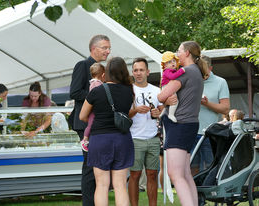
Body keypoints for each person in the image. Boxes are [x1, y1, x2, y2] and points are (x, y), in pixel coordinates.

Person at [158, 41, 208, 206]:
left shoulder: (185, 71)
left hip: (179, 125)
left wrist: (165, 97)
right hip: (190, 125)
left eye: (179, 50)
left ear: (186, 53)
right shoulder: (196, 72)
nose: (176, 54)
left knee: (175, 174)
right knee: (185, 173)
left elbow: (161, 95)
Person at [79, 57, 134, 206]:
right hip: (122, 139)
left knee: (102, 185)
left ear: (106, 72)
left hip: (100, 139)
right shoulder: (128, 92)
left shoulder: (96, 91)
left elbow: (82, 116)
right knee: (120, 185)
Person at [69, 34, 111, 206]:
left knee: (98, 167)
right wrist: (97, 96)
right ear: (94, 48)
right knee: (89, 167)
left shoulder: (104, 69)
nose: (108, 51)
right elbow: (75, 92)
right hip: (86, 123)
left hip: (100, 123)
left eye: (109, 48)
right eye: (104, 48)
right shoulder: (82, 65)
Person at [128, 58, 162, 206]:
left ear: (148, 72)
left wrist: (157, 113)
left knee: (152, 174)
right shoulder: (129, 90)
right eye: (136, 70)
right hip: (135, 138)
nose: (138, 73)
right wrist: (135, 110)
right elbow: (123, 114)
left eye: (141, 70)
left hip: (153, 138)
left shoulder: (156, 90)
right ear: (132, 72)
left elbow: (162, 111)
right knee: (135, 175)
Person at [191, 55, 230, 172]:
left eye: (204, 70)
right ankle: (194, 191)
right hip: (190, 131)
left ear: (210, 68)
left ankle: (210, 190)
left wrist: (207, 104)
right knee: (191, 167)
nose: (201, 73)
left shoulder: (220, 82)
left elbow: (225, 109)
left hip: (209, 134)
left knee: (211, 167)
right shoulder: (191, 80)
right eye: (198, 69)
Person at [81, 63, 105, 152]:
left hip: (94, 108)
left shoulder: (93, 82)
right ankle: (85, 139)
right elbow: (96, 96)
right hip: (94, 109)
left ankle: (86, 139)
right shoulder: (97, 83)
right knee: (91, 124)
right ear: (103, 74)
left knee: (91, 124)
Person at [160, 51, 185, 122]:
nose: (172, 63)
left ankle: (162, 113)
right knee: (175, 100)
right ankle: (171, 114)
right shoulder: (167, 71)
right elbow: (172, 77)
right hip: (167, 87)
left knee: (168, 103)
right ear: (165, 65)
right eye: (169, 62)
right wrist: (181, 71)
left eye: (174, 61)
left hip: (167, 87)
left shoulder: (171, 70)